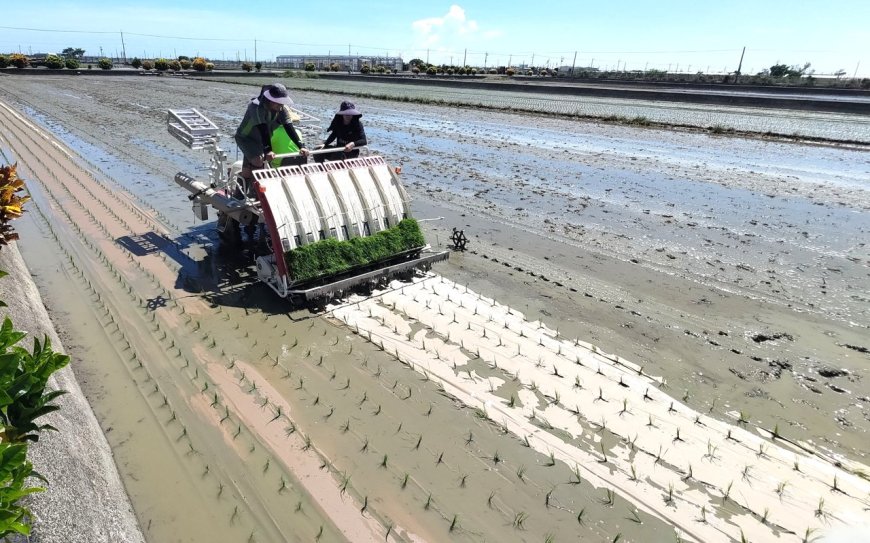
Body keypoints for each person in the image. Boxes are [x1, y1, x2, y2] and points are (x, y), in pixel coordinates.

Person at [234, 83, 309, 187]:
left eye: (282, 103)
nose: (280, 106)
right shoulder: (255, 107)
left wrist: (301, 146)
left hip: (261, 140)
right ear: (270, 100)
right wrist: (268, 150)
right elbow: (263, 129)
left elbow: (289, 127)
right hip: (246, 138)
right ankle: (254, 192)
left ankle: (241, 192)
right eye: (278, 103)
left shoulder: (281, 109)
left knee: (247, 170)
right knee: (258, 161)